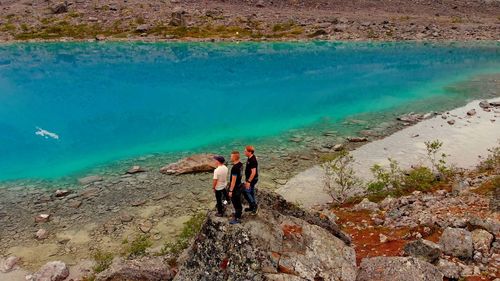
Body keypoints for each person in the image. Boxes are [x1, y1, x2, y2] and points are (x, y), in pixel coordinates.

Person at [228, 151, 243, 224]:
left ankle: (237, 218)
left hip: (235, 188)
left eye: (231, 156)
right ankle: (238, 214)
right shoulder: (240, 164)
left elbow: (233, 181)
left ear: (234, 157)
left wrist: (230, 191)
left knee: (235, 202)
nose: (230, 157)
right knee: (238, 201)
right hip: (239, 185)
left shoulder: (234, 168)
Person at [243, 145, 258, 214]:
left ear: (250, 152)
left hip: (252, 179)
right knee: (251, 192)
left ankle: (254, 206)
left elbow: (253, 172)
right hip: (250, 179)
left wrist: (248, 181)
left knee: (246, 191)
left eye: (245, 151)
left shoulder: (252, 160)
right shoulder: (250, 157)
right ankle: (252, 207)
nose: (244, 152)